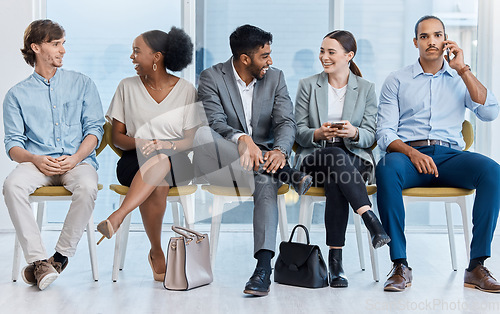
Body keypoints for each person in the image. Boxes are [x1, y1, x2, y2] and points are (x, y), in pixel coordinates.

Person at [376, 15, 500, 293]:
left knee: (492, 171)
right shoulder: (397, 80)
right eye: (424, 36)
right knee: (386, 166)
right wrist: (411, 152)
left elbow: (490, 112)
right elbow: (384, 132)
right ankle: (400, 265)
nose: (431, 41)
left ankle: (476, 266)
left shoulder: (460, 78)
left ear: (445, 40)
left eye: (437, 35)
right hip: (408, 157)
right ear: (415, 42)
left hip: (449, 157)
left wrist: (463, 70)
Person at [193, 24, 312, 296]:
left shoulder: (275, 77)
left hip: (265, 165)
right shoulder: (212, 77)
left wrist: (280, 151)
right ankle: (288, 174)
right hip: (225, 163)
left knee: (265, 179)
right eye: (265, 56)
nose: (270, 61)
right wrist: (243, 140)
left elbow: (285, 122)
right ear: (245, 59)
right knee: (202, 134)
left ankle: (263, 268)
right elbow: (215, 122)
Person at [2, 19, 104, 290]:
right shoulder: (16, 95)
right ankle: (38, 262)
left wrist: (76, 158)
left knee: (87, 186)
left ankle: (59, 257)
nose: (62, 50)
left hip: (77, 161)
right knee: (12, 185)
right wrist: (35, 159)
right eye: (55, 44)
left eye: (63, 44)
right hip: (37, 163)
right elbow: (12, 146)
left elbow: (95, 130)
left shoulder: (82, 84)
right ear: (36, 47)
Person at [97, 27, 198, 282]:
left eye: (136, 51)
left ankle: (120, 217)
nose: (132, 57)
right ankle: (155, 250)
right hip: (134, 159)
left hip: (177, 158)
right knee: (158, 178)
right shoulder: (126, 87)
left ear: (157, 57)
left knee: (161, 161)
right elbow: (116, 137)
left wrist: (166, 145)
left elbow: (189, 140)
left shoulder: (186, 90)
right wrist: (140, 142)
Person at [294, 30, 390, 288]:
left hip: (353, 157)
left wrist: (354, 132)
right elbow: (299, 132)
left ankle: (335, 261)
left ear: (349, 56)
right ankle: (370, 219)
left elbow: (371, 135)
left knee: (339, 176)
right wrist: (318, 133)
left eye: (331, 52)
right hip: (316, 158)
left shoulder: (366, 88)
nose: (324, 57)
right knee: (335, 157)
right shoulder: (307, 85)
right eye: (322, 51)